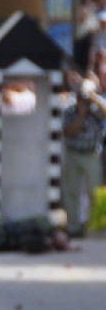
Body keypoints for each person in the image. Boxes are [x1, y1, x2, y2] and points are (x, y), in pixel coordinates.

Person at [60, 75, 106, 238]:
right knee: (71, 191)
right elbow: (68, 131)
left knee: (93, 192)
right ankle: (73, 227)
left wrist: (94, 98)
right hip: (72, 153)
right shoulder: (69, 110)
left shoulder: (97, 110)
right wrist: (81, 113)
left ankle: (94, 227)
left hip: (91, 154)